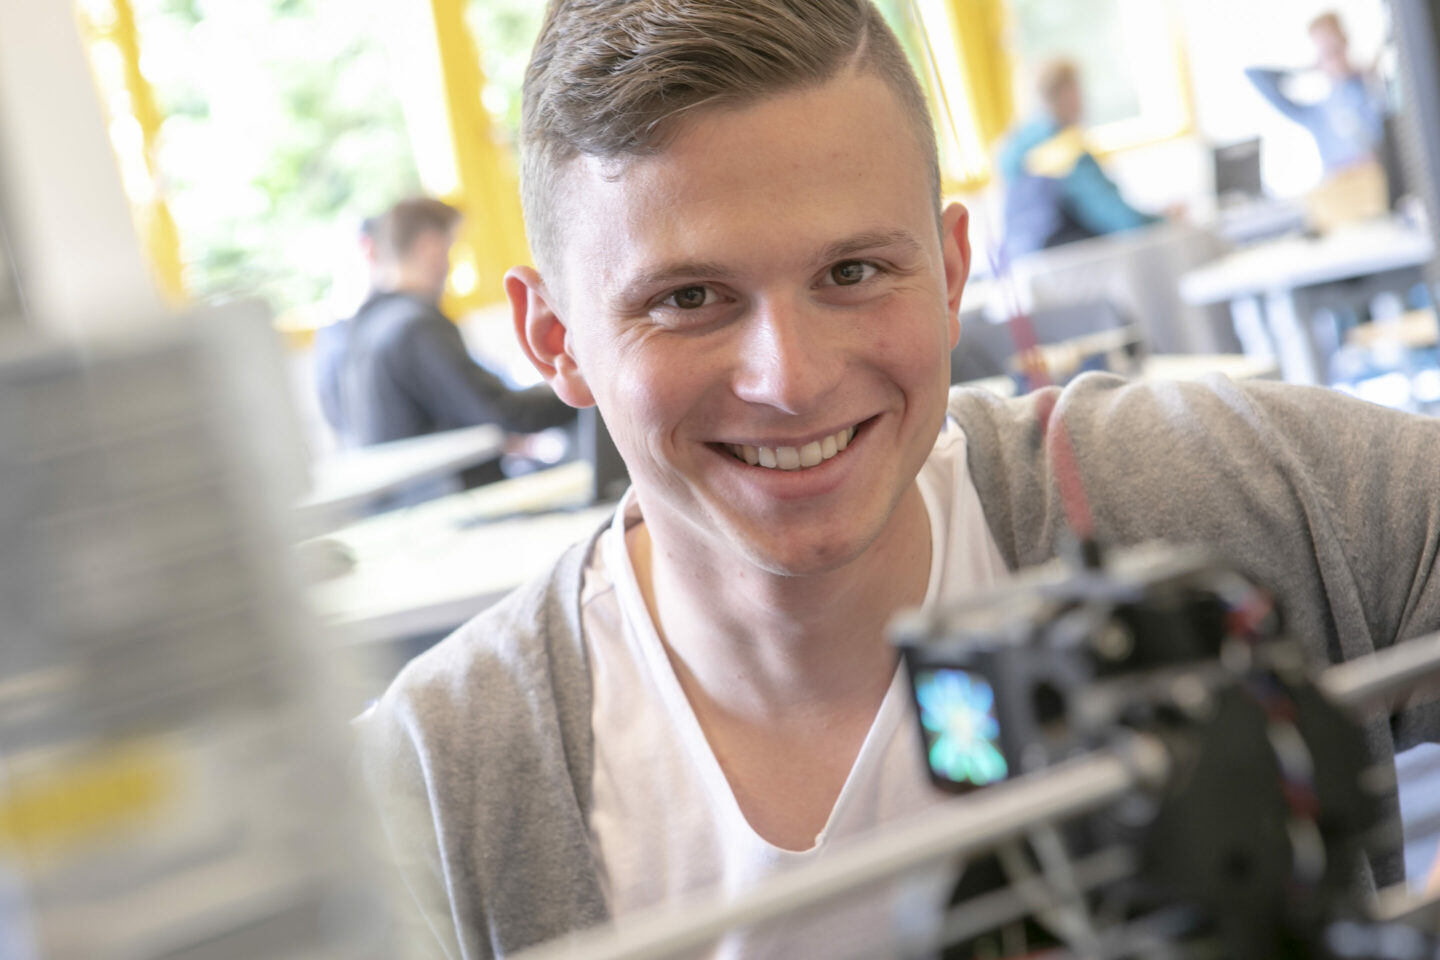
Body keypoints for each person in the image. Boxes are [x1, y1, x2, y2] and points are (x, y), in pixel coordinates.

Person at [355, 2, 1440, 957]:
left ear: (953, 269)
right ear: (556, 340)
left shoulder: (1210, 492)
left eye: (855, 271)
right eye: (689, 297)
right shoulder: (437, 784)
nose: (791, 379)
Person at [315, 196, 573, 456]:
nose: (450, 264)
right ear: (430, 247)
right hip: (443, 489)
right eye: (450, 248)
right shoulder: (416, 327)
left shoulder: (363, 327)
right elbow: (503, 412)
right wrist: (572, 388)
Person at [998, 59, 1160, 260]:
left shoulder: (1016, 146)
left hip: (1026, 264)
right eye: (1078, 90)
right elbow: (1116, 216)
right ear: (1066, 94)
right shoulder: (1062, 146)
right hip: (1067, 264)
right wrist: (1162, 221)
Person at [1245, 11, 1386, 176]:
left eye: (1336, 48)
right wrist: (1302, 69)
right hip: (1345, 192)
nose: (1335, 59)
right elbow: (1255, 75)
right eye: (1326, 53)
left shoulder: (1376, 87)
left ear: (1346, 41)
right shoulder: (1317, 114)